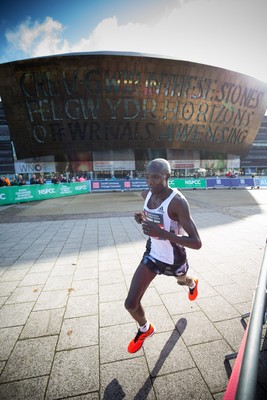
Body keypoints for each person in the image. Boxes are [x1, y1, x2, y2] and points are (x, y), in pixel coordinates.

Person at [124, 158, 202, 353]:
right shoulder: (147, 193)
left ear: (167, 176)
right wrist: (142, 218)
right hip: (153, 254)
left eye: (156, 178)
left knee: (181, 282)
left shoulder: (177, 202)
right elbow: (153, 217)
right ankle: (145, 328)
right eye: (148, 177)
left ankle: (192, 283)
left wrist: (163, 234)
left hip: (175, 257)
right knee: (130, 303)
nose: (151, 182)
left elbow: (197, 242)